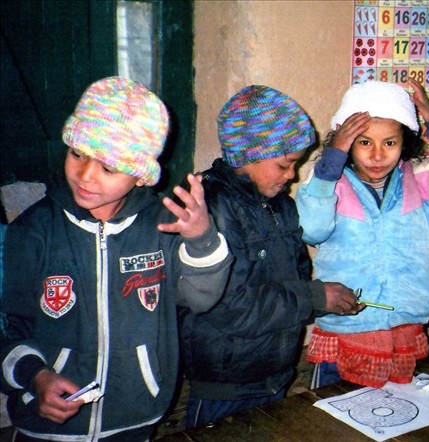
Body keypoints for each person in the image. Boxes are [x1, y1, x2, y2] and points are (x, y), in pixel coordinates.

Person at [0, 76, 232, 441]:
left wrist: (202, 238)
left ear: (141, 176)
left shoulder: (162, 227)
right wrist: (35, 375)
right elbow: (9, 326)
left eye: (108, 168)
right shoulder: (33, 231)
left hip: (135, 418)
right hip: (45, 428)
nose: (86, 175)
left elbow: (202, 299)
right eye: (77, 153)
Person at [178, 85, 364, 428]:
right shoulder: (212, 207)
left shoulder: (280, 204)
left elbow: (296, 271)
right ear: (247, 155)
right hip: (226, 383)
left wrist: (314, 294)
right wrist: (316, 296)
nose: (291, 175)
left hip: (274, 372)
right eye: (284, 164)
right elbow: (226, 306)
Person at [296, 78, 429, 389]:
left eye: (390, 142)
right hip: (348, 328)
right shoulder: (327, 183)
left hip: (403, 326)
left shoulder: (419, 180)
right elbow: (311, 229)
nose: (377, 155)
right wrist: (329, 165)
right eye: (364, 142)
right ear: (344, 143)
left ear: (405, 143)